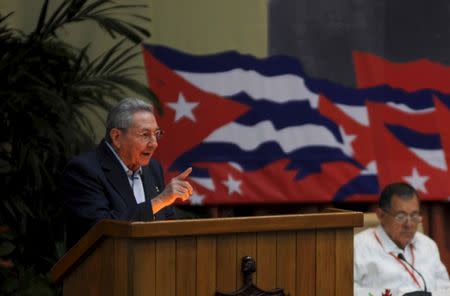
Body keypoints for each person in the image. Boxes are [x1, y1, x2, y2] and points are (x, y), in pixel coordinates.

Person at [63, 98, 193, 247]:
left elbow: (167, 222)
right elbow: (100, 229)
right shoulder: (84, 170)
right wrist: (159, 201)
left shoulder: (153, 168)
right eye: (145, 135)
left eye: (156, 134)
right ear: (117, 137)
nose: (154, 143)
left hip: (155, 266)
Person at [354, 182, 450, 295]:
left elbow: (445, 289)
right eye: (401, 216)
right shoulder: (359, 246)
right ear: (381, 215)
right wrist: (397, 294)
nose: (409, 224)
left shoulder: (428, 245)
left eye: (414, 215)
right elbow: (345, 290)